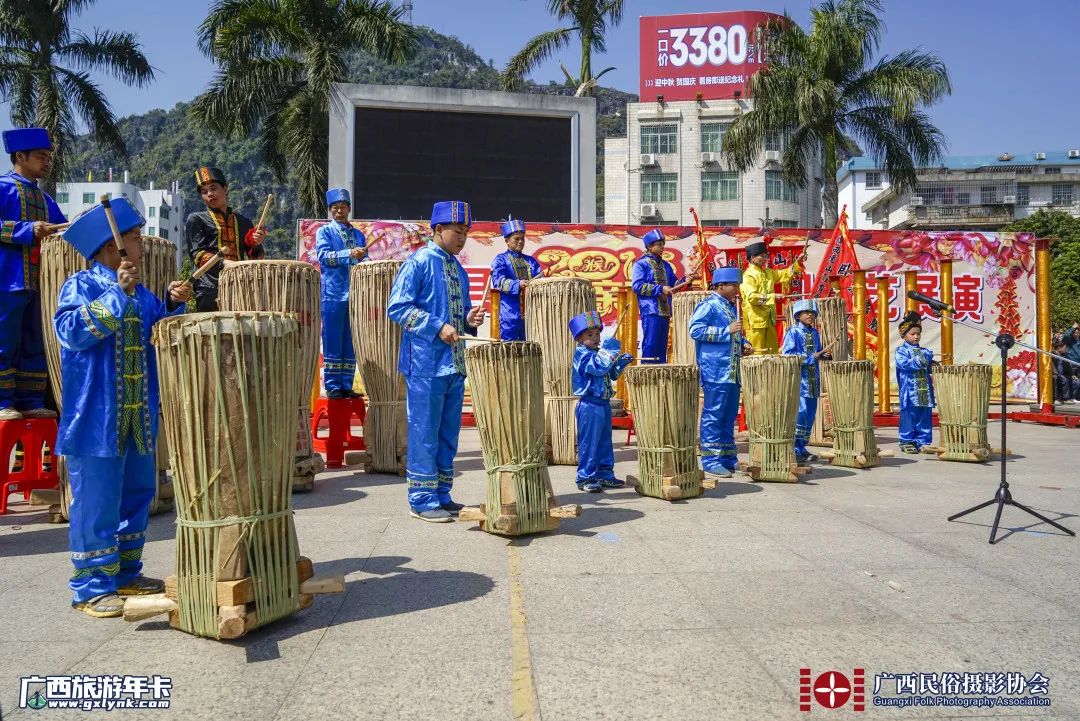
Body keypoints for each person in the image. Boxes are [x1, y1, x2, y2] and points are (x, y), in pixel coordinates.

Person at [54, 198, 190, 617]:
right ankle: (91, 588)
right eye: (134, 236)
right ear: (110, 246)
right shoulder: (81, 285)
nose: (142, 242)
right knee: (97, 499)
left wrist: (171, 302)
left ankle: (127, 573)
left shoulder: (142, 291)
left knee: (136, 493)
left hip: (137, 413)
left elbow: (156, 329)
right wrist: (117, 294)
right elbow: (71, 332)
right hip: (96, 416)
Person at [387, 201, 484, 522]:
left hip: (454, 364)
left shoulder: (457, 268)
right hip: (426, 364)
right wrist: (436, 325)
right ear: (438, 230)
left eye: (466, 233)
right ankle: (422, 498)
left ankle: (442, 493)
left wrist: (470, 318)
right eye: (458, 231)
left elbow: (461, 316)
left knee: (447, 432)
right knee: (424, 429)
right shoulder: (418, 263)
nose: (462, 238)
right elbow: (397, 307)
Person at [0, 127, 66, 420]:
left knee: (35, 340)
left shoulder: (47, 201)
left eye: (49, 157)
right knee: (4, 339)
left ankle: (30, 399)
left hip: (40, 283)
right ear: (20, 156)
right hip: (6, 279)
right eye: (41, 156)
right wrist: (26, 229)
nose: (47, 162)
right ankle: (2, 401)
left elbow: (66, 231)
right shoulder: (1, 188)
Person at [689, 267, 753, 478]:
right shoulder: (709, 305)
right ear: (720, 286)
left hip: (732, 370)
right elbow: (695, 330)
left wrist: (743, 343)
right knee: (714, 414)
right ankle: (710, 459)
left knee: (728, 415)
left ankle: (727, 457)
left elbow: (733, 332)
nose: (737, 289)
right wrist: (726, 331)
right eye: (733, 285)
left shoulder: (730, 307)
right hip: (715, 369)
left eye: (737, 285)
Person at [185, 166, 266, 311]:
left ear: (226, 188)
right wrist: (225, 264)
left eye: (213, 188)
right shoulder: (196, 219)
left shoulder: (244, 222)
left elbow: (257, 257)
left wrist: (256, 243)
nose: (209, 194)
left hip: (240, 287)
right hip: (209, 288)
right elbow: (197, 255)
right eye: (204, 192)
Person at [569, 311, 633, 491]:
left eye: (597, 334)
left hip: (603, 404)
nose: (596, 338)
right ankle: (585, 477)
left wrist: (620, 363)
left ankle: (605, 474)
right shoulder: (582, 355)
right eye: (590, 335)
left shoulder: (598, 353)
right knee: (589, 442)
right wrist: (610, 349)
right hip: (589, 404)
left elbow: (610, 372)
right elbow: (598, 368)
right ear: (579, 339)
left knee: (605, 441)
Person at [315, 188, 367, 398]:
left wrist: (366, 260)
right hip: (333, 294)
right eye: (335, 208)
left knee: (350, 340)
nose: (339, 210)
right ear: (330, 210)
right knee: (333, 339)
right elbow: (324, 257)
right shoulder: (325, 232)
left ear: (349, 209)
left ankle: (346, 384)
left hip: (355, 295)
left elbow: (364, 260)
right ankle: (333, 385)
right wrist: (349, 253)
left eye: (342, 207)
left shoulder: (358, 234)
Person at [781, 299, 831, 463]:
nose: (810, 315)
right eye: (806, 313)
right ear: (798, 315)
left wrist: (824, 355)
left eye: (812, 313)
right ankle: (793, 448)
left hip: (813, 381)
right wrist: (810, 357)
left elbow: (818, 351)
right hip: (799, 382)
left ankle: (801, 448)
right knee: (800, 415)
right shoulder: (793, 332)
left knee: (809, 416)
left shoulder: (815, 333)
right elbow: (788, 355)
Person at [631, 228, 686, 364]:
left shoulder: (666, 265)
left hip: (665, 312)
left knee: (662, 348)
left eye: (663, 244)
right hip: (651, 310)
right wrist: (660, 289)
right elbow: (637, 286)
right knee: (651, 346)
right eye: (659, 245)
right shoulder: (641, 264)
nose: (663, 248)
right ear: (650, 246)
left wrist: (686, 280)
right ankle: (646, 379)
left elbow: (674, 285)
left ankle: (660, 382)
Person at [739, 239, 803, 354]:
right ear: (752, 258)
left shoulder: (768, 272)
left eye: (765, 256)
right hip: (755, 322)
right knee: (756, 354)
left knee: (772, 353)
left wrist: (797, 263)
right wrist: (772, 297)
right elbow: (752, 298)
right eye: (762, 256)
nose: (765, 259)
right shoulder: (748, 276)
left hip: (769, 320)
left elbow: (784, 274)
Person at [489, 217, 541, 341]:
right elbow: (498, 282)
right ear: (507, 241)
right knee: (509, 350)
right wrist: (518, 284)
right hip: (509, 314)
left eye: (522, 238)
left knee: (530, 348)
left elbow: (540, 280)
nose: (520, 242)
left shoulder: (531, 261)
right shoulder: (500, 259)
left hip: (531, 313)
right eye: (516, 239)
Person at [895, 311, 935, 453]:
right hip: (909, 390)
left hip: (924, 389)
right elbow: (905, 365)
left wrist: (932, 365)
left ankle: (924, 441)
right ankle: (907, 441)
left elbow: (927, 367)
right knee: (909, 416)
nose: (916, 336)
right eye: (913, 334)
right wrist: (924, 359)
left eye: (918, 333)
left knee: (924, 416)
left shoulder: (924, 351)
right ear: (904, 335)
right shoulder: (901, 351)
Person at [1052, 337, 1077, 404]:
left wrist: (1072, 374)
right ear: (1059, 348)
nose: (1066, 349)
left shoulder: (1064, 355)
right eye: (1065, 347)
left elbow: (1068, 366)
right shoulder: (1053, 355)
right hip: (1055, 374)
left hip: (1063, 374)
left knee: (1074, 381)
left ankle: (1071, 397)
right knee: (1064, 379)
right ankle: (1062, 398)